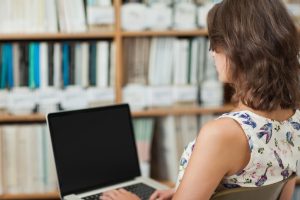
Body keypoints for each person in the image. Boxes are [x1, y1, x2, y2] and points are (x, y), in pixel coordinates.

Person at [100, 0, 300, 199]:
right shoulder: (294, 120)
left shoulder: (224, 133)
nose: (212, 53)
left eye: (216, 43)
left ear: (240, 49)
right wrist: (188, 190)